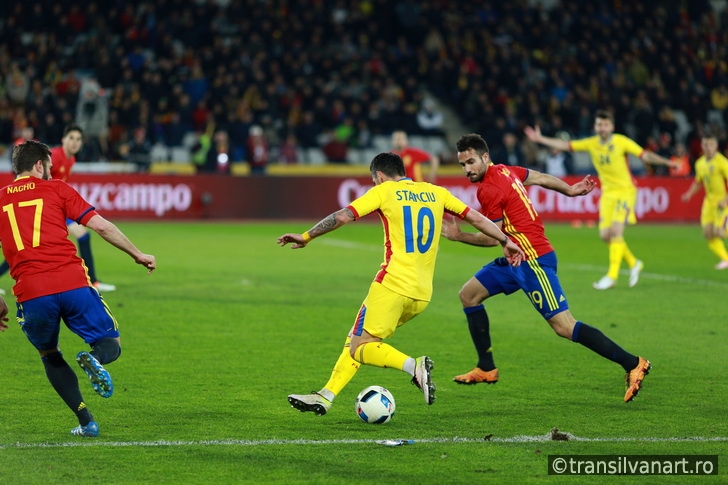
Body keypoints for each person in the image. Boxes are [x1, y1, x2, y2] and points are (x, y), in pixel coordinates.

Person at [279, 152, 524, 415]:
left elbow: (342, 217)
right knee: (358, 337)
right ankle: (325, 396)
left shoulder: (384, 191)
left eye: (375, 181)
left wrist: (306, 236)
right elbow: (476, 219)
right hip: (421, 294)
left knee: (359, 347)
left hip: (392, 284)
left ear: (380, 176)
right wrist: (504, 240)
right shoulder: (436, 192)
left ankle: (413, 366)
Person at [441, 133, 651, 403]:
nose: (467, 169)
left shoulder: (489, 188)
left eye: (471, 162)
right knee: (468, 295)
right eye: (462, 165)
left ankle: (633, 363)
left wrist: (459, 236)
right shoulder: (506, 170)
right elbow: (539, 177)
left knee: (564, 326)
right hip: (515, 259)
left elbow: (493, 237)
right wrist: (570, 190)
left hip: (533, 260)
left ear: (485, 157)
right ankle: (486, 367)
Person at [0, 140, 156, 437]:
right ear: (38, 165)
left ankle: (87, 422)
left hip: (32, 294)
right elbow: (101, 226)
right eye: (48, 165)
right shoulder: (58, 189)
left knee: (49, 354)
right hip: (72, 283)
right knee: (111, 342)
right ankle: (95, 359)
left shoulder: (0, 200)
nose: (50, 170)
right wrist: (137, 254)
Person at [525, 110, 678, 290]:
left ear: (611, 126)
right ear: (595, 126)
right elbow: (565, 145)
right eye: (599, 124)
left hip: (625, 191)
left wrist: (667, 163)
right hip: (608, 194)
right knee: (605, 235)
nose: (602, 128)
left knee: (616, 232)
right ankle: (634, 263)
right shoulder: (592, 143)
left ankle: (612, 276)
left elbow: (645, 155)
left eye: (605, 124)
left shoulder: (621, 141)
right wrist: (541, 139)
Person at [0, 125, 116, 293]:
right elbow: (30, 174)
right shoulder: (54, 156)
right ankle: (91, 281)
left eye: (78, 139)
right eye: (71, 138)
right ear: (64, 140)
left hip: (55, 205)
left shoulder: (71, 160)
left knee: (82, 235)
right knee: (23, 246)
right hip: (43, 206)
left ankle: (93, 280)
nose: (75, 142)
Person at [681, 133, 728, 269]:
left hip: (722, 203)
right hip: (709, 203)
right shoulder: (700, 163)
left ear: (716, 146)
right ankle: (725, 259)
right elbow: (698, 182)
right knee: (707, 233)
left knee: (719, 232)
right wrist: (689, 194)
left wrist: (725, 200)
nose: (708, 148)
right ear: (702, 146)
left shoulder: (722, 162)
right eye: (706, 145)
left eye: (711, 145)